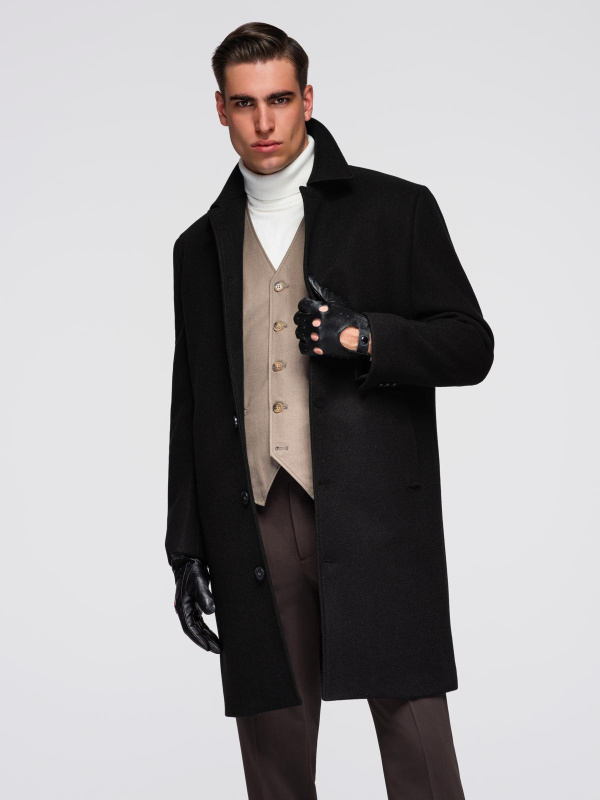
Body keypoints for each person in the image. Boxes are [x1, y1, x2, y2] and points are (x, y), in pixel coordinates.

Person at [166, 21, 494, 800]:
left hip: (377, 516)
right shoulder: (198, 247)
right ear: (220, 109)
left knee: (418, 748)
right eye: (245, 104)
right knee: (275, 763)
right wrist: (185, 546)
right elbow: (193, 399)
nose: (264, 121)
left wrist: (367, 335)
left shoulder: (395, 208)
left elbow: (471, 346)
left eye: (280, 99)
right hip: (253, 521)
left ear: (308, 99)